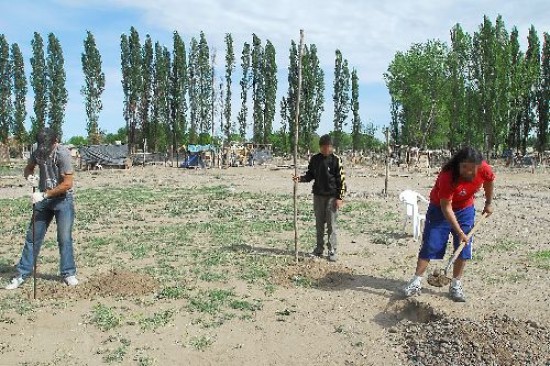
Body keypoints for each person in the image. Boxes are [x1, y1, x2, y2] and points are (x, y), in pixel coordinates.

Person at [402, 147, 494, 302]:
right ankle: (416, 281)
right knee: (431, 244)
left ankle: (456, 284)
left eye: (473, 169)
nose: (468, 172)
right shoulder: (447, 176)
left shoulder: (484, 168)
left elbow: (489, 181)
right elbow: (446, 207)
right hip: (440, 209)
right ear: (459, 164)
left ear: (479, 166)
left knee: (463, 247)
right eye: (464, 167)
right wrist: (459, 231)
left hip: (465, 209)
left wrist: (489, 203)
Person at [5, 128, 78, 290]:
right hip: (43, 201)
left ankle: (68, 273)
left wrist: (45, 195)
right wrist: (29, 177)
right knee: (32, 237)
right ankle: (22, 274)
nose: (43, 150)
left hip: (62, 200)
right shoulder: (38, 151)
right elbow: (29, 168)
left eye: (47, 147)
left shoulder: (63, 154)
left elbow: (67, 184)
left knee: (64, 238)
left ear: (55, 141)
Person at [293, 135, 346, 262]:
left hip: (332, 197)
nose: (326, 149)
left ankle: (332, 249)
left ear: (331, 147)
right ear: (320, 147)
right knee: (319, 224)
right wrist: (300, 179)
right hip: (318, 196)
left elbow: (341, 180)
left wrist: (340, 197)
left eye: (328, 147)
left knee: (331, 225)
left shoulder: (336, 160)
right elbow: (310, 175)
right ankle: (319, 248)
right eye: (324, 147)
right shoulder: (315, 159)